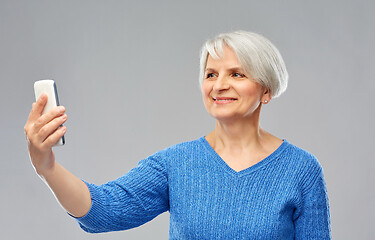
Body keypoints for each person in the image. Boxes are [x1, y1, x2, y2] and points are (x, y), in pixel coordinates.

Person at [24, 30, 331, 239]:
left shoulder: (301, 170)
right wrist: (46, 167)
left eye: (236, 74)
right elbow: (102, 211)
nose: (219, 85)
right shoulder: (176, 164)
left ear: (266, 89)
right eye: (211, 74)